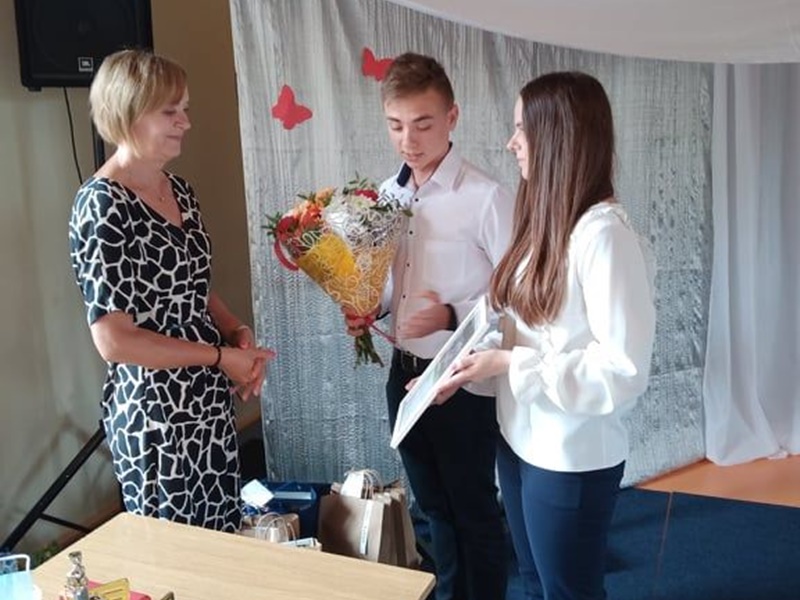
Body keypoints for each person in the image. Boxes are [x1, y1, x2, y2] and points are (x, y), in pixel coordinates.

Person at [435, 71, 657, 599]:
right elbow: (520, 326)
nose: (511, 142)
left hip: (569, 456)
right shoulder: (546, 223)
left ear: (557, 137)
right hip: (519, 440)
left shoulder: (604, 237)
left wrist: (509, 364)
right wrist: (462, 363)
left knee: (568, 592)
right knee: (535, 584)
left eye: (521, 129)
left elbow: (622, 370)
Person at [69, 49, 274, 533]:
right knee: (174, 554)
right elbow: (114, 341)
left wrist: (235, 331)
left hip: (208, 400)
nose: (185, 122)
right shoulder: (101, 206)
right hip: (156, 413)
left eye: (184, 109)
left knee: (221, 539)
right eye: (170, 111)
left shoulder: (179, 190)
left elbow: (191, 285)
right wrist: (220, 358)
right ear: (130, 113)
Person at [348, 52, 514, 600]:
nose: (408, 140)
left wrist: (448, 314)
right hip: (404, 376)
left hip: (463, 381)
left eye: (422, 124)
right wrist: (369, 307)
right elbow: (390, 286)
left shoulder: (486, 197)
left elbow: (519, 303)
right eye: (395, 125)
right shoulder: (386, 197)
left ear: (451, 117)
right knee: (433, 509)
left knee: (473, 511)